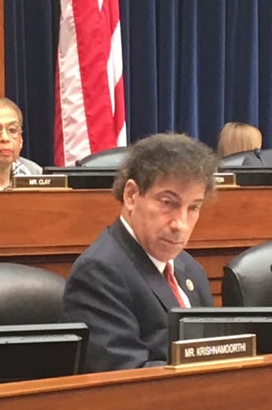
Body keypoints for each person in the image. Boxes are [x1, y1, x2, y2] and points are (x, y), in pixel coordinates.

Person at [62, 133, 217, 373]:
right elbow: (126, 376)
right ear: (132, 195)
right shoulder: (99, 273)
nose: (181, 224)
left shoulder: (190, 268)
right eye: (168, 203)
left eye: (193, 207)